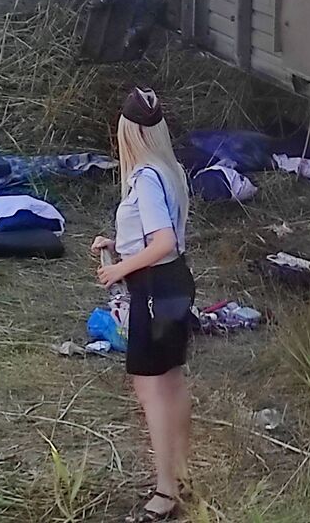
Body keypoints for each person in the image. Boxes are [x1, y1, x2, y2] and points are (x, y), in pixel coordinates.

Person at [90, 88, 194, 523]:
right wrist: (120, 245)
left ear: (128, 134)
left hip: (153, 289)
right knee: (171, 380)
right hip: (172, 284)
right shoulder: (169, 171)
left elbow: (163, 241)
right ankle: (180, 472)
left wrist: (119, 268)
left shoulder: (146, 177)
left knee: (151, 388)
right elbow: (161, 235)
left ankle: (166, 490)